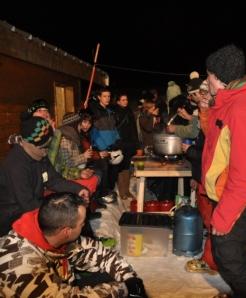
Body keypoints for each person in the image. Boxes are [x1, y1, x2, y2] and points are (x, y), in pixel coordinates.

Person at [203, 44, 246, 298]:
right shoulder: (231, 104)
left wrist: (225, 214)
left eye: (209, 74)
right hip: (225, 194)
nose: (206, 78)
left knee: (232, 262)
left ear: (219, 78)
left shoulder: (241, 110)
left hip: (235, 200)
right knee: (228, 257)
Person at [0, 192, 148, 297]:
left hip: (60, 285)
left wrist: (129, 278)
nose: (84, 226)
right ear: (66, 231)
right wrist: (122, 289)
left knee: (108, 277)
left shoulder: (53, 231)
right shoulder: (21, 265)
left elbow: (100, 253)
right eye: (82, 223)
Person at [0, 117, 89, 236]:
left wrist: (78, 189)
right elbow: (27, 204)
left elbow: (54, 180)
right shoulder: (16, 165)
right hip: (13, 217)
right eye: (44, 147)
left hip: (33, 206)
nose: (47, 151)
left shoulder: (39, 154)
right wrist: (57, 212)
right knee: (66, 217)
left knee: (72, 207)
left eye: (48, 146)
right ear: (29, 143)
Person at [182, 77, 218, 274]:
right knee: (208, 220)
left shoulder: (213, 121)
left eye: (204, 96)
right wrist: (196, 176)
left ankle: (212, 261)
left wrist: (188, 151)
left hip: (212, 180)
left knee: (214, 223)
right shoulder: (206, 119)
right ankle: (211, 257)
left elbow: (208, 155)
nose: (200, 101)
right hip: (204, 178)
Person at [113, 93, 139, 200]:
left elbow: (134, 129)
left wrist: (136, 144)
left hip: (130, 143)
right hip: (120, 143)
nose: (125, 101)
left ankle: (127, 190)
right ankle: (122, 191)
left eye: (126, 99)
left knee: (127, 167)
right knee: (121, 167)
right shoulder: (115, 112)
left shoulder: (129, 111)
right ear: (118, 101)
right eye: (123, 100)